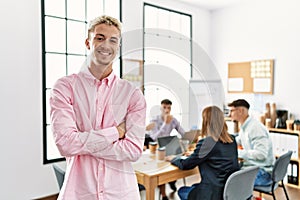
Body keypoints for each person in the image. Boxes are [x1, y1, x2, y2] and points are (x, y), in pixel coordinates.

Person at [49, 15, 146, 200]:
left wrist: (83, 143)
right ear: (88, 42)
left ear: (118, 46)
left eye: (113, 40)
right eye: (99, 38)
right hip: (79, 193)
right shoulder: (64, 87)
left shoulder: (132, 95)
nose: (106, 45)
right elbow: (66, 144)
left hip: (121, 194)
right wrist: (116, 133)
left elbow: (133, 150)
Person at [166, 106, 239, 200]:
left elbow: (186, 164)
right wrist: (195, 155)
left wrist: (173, 159)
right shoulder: (232, 139)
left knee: (182, 190)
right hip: (227, 191)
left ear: (206, 122)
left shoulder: (207, 143)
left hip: (213, 194)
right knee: (194, 186)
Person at [228, 99, 275, 187]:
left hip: (264, 173)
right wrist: (225, 143)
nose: (229, 114)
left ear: (241, 111)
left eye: (231, 111)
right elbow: (240, 140)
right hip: (254, 168)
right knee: (227, 175)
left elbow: (261, 154)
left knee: (230, 183)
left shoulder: (255, 128)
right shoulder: (246, 126)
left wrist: (237, 153)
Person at [145, 99, 185, 199]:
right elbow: (154, 137)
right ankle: (163, 195)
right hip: (158, 147)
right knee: (161, 170)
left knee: (175, 164)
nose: (167, 110)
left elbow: (182, 132)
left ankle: (172, 181)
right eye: (164, 108)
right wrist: (165, 124)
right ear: (161, 108)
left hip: (169, 145)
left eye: (169, 108)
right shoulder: (155, 120)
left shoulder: (173, 119)